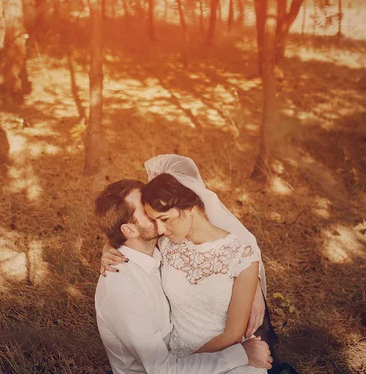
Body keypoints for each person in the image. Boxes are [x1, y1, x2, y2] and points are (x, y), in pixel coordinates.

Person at [101, 155, 296, 374]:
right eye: (153, 217)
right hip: (179, 360)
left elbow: (232, 333)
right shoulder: (166, 244)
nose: (160, 227)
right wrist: (110, 245)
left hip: (222, 352)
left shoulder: (238, 254)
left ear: (189, 207)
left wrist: (254, 285)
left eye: (162, 218)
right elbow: (131, 234)